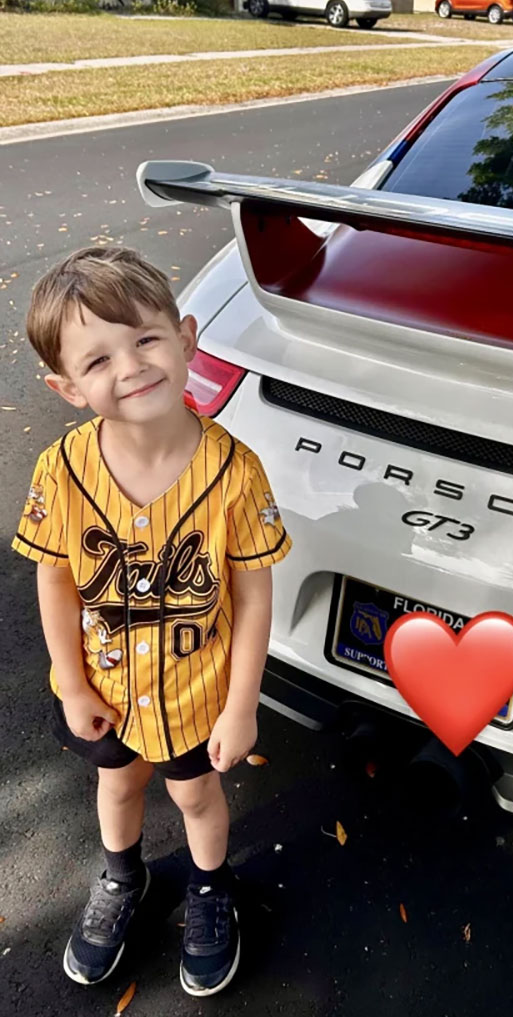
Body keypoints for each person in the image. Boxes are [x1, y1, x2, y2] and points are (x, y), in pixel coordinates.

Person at [12, 245, 292, 997]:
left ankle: (209, 889)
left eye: (144, 338)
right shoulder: (62, 471)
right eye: (96, 359)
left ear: (187, 337)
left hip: (197, 692)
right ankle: (122, 879)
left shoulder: (234, 472)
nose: (130, 365)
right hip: (105, 688)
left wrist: (240, 705)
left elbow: (255, 592)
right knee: (119, 788)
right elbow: (56, 576)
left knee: (196, 796)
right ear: (66, 387)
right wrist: (70, 684)